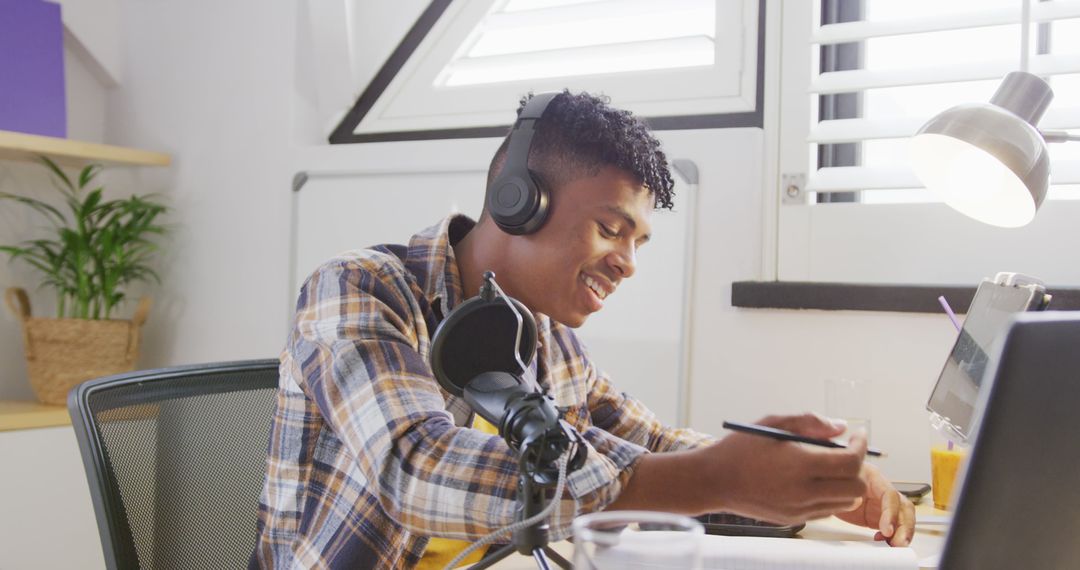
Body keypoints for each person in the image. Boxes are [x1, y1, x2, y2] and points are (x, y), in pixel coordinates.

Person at [252, 90, 915, 569]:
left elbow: (655, 446)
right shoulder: (359, 290)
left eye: (639, 241)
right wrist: (718, 479)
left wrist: (806, 483)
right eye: (611, 228)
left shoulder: (548, 339)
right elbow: (416, 469)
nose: (627, 262)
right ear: (517, 201)